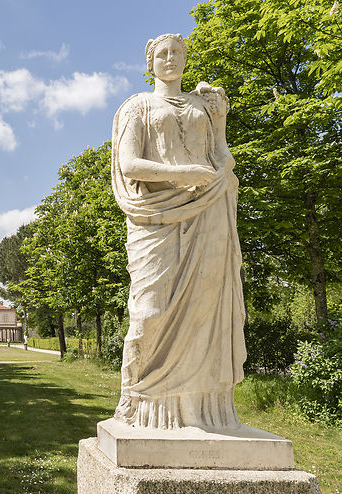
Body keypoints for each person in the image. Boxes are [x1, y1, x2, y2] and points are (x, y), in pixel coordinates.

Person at [110, 33, 246, 430]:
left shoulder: (203, 105)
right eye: (162, 54)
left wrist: (219, 123)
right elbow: (129, 163)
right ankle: (137, 401)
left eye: (177, 53)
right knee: (148, 313)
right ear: (150, 62)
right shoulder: (138, 106)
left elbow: (222, 159)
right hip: (155, 218)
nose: (170, 59)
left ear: (186, 60)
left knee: (205, 310)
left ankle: (199, 411)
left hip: (209, 214)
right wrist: (181, 174)